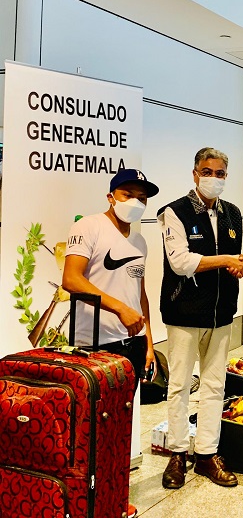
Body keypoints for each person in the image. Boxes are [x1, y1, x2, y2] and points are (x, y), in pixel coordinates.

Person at [63, 168, 159, 518]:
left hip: (131, 345)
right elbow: (71, 279)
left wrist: (149, 342)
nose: (135, 202)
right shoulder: (89, 227)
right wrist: (118, 308)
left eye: (142, 197)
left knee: (119, 429)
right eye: (127, 194)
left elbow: (140, 294)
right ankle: (84, 504)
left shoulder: (140, 241)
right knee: (90, 432)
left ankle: (114, 499)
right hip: (94, 346)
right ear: (110, 197)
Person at [158, 147, 243, 490]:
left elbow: (232, 261)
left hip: (221, 314)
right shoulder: (175, 211)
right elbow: (180, 262)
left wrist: (239, 266)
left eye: (220, 173)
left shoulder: (232, 214)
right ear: (195, 173)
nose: (214, 178)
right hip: (183, 313)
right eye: (207, 172)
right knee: (180, 386)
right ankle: (177, 453)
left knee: (215, 386)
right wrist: (227, 259)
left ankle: (207, 454)